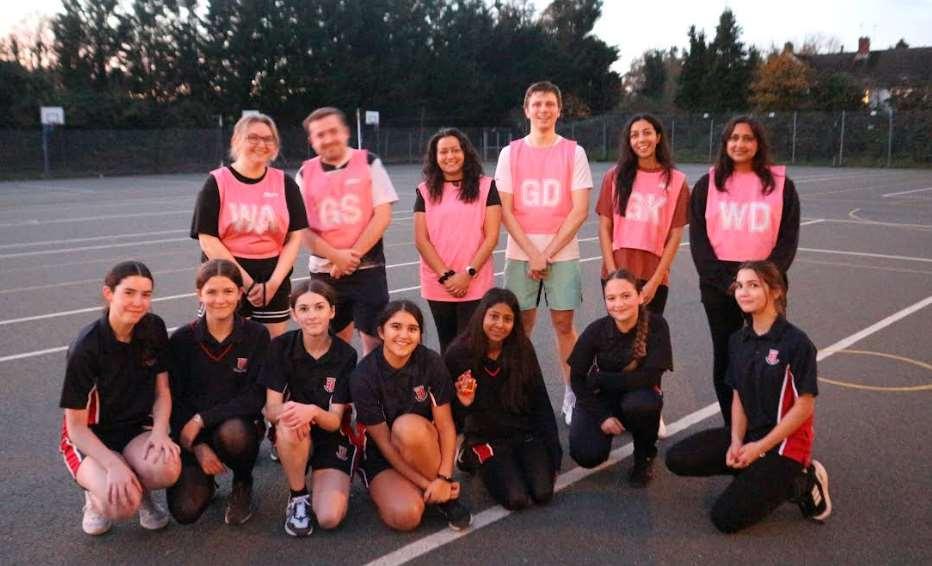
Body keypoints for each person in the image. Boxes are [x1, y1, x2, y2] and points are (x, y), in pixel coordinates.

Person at [665, 261, 830, 533]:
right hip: (750, 436)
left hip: (785, 447)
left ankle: (803, 482)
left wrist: (759, 447)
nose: (743, 292)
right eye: (740, 285)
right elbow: (738, 395)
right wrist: (736, 441)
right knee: (678, 458)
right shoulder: (738, 340)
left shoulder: (796, 343)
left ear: (776, 291)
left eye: (753, 285)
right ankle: (756, 475)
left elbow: (805, 406)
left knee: (725, 519)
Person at [689, 116, 800, 425]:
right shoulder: (707, 185)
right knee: (726, 356)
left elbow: (787, 240)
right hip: (719, 286)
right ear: (725, 143)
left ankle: (767, 425)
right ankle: (733, 427)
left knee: (769, 356)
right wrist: (731, 284)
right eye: (734, 138)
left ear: (758, 143)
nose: (740, 144)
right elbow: (699, 243)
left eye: (748, 138)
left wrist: (762, 282)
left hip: (766, 284)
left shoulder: (781, 186)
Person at [494, 81, 593, 426]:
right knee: (519, 327)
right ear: (526, 109)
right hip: (520, 252)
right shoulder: (510, 153)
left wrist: (546, 252)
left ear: (559, 110)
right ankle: (515, 392)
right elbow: (505, 210)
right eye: (537, 104)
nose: (543, 109)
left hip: (561, 252)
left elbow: (579, 210)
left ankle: (572, 392)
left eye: (550, 103)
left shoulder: (574, 153)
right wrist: (531, 252)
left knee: (564, 324)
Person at [59, 261, 181, 535]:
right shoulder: (86, 348)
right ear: (109, 293)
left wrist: (161, 432)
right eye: (129, 292)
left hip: (135, 427)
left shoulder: (153, 328)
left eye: (146, 294)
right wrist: (112, 464)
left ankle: (142, 491)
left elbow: (162, 391)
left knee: (167, 468)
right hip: (91, 434)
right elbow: (75, 427)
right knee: (121, 506)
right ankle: (94, 497)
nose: (138, 302)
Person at [596, 113, 689, 439]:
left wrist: (656, 279)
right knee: (615, 343)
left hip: (652, 275)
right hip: (617, 271)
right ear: (629, 140)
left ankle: (651, 407)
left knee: (648, 345)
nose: (641, 139)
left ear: (658, 136)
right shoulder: (614, 176)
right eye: (634, 134)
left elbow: (675, 235)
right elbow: (604, 226)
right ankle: (614, 405)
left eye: (647, 133)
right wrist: (611, 273)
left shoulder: (676, 180)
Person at [350, 301, 472, 531]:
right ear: (381, 332)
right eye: (396, 327)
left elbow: (445, 426)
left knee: (408, 428)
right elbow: (385, 444)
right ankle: (426, 489)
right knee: (407, 517)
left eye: (412, 329)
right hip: (382, 457)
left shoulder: (431, 362)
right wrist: (429, 484)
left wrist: (445, 477)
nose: (404, 335)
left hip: (418, 444)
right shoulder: (363, 376)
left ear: (419, 335)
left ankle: (445, 499)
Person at [166, 259, 270, 526]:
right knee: (185, 511)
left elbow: (255, 396)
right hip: (192, 432)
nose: (220, 299)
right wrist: (197, 446)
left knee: (234, 433)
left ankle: (242, 481)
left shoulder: (256, 335)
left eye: (228, 291)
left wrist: (202, 419)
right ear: (199, 294)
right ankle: (206, 479)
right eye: (211, 292)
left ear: (240, 293)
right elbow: (173, 399)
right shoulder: (182, 340)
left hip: (236, 427)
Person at [190, 113, 308, 339]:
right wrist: (247, 283)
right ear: (236, 140)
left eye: (268, 139)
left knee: (270, 349)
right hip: (225, 277)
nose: (261, 144)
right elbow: (208, 239)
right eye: (252, 137)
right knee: (222, 345)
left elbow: (295, 237)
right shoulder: (217, 182)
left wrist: (273, 283)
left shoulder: (285, 183)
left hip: (273, 278)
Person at [444, 288, 561, 510]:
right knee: (517, 499)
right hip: (485, 437)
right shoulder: (458, 354)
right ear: (482, 315)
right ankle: (469, 456)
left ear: (514, 323)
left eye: (507, 319)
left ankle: (518, 462)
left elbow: (540, 401)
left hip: (523, 433)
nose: (499, 324)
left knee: (543, 493)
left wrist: (554, 452)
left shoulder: (522, 348)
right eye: (494, 316)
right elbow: (447, 414)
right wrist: (464, 403)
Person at [261, 280, 359, 537]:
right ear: (294, 314)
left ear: (332, 311)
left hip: (329, 434)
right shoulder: (280, 347)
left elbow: (335, 421)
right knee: (289, 423)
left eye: (319, 307)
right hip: (295, 430)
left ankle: (322, 470)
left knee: (329, 517)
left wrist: (312, 411)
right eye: (304, 309)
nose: (312, 315)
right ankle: (298, 496)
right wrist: (294, 411)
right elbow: (271, 410)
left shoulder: (346, 355)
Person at [298, 107, 399, 355]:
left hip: (368, 269)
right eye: (320, 135)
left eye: (333, 131)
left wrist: (350, 258)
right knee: (332, 344)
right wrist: (336, 257)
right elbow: (302, 229)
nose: (328, 138)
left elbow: (382, 216)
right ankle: (339, 382)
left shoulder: (369, 163)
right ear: (311, 141)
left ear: (345, 132)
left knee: (375, 343)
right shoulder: (304, 174)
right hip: (325, 272)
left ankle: (368, 382)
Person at [567, 269, 671, 487]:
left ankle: (644, 457)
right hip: (604, 399)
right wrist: (602, 416)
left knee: (642, 405)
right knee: (586, 455)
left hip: (637, 395)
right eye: (611, 298)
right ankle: (613, 425)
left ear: (640, 296)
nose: (619, 304)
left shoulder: (657, 325)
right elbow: (577, 379)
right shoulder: (596, 330)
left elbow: (650, 377)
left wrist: (601, 379)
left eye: (626, 296)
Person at [414, 128, 501, 353]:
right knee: (448, 346)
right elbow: (421, 240)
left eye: (455, 150)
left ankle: (471, 380)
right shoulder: (424, 191)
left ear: (465, 152)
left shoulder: (486, 186)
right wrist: (446, 276)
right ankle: (448, 379)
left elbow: (492, 237)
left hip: (475, 281)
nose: (450, 156)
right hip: (438, 282)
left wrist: (467, 274)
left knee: (471, 346)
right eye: (443, 152)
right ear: (435, 157)